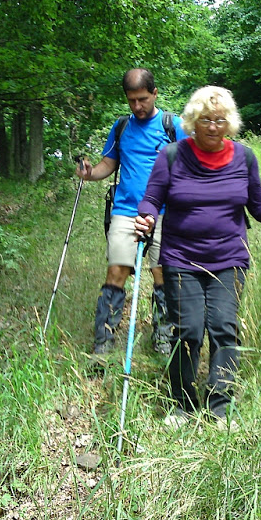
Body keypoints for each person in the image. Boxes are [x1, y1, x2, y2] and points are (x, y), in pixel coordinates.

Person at [134, 85, 261, 425]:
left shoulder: (244, 157)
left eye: (219, 120)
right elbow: (151, 198)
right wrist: (147, 216)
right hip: (181, 258)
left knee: (224, 329)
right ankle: (182, 404)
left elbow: (258, 206)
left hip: (229, 258)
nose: (212, 127)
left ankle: (220, 405)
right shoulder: (171, 155)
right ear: (191, 122)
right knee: (189, 330)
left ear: (229, 122)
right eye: (205, 120)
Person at [75, 68, 188, 356]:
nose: (137, 106)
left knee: (163, 272)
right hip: (126, 210)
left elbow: (191, 166)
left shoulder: (172, 126)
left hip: (166, 212)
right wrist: (89, 174)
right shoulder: (121, 127)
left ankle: (163, 337)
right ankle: (104, 341)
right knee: (116, 271)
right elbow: (108, 165)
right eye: (131, 101)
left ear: (154, 94)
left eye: (142, 99)